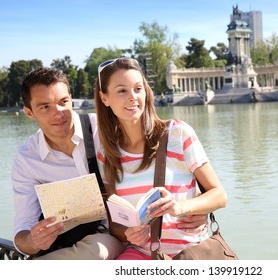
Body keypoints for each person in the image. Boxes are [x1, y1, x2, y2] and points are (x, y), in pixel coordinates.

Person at [95, 57, 228, 260]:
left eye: (138, 88)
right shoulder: (106, 154)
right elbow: (115, 223)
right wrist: (128, 234)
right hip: (141, 253)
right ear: (104, 98)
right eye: (122, 91)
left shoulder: (178, 133)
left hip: (191, 252)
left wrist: (182, 206)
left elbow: (219, 195)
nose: (133, 97)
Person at [11, 67, 125, 259]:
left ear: (71, 99)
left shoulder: (105, 130)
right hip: (65, 247)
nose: (58, 113)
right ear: (29, 113)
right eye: (45, 107)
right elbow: (23, 229)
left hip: (115, 237)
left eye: (63, 102)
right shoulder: (26, 159)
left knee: (101, 247)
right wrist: (33, 240)